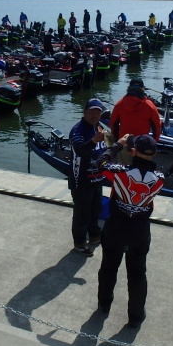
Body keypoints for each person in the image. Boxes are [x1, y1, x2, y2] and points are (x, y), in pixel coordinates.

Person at [96, 135, 165, 328]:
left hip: (116, 227)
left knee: (109, 268)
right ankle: (135, 316)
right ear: (154, 154)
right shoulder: (160, 179)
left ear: (133, 151)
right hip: (139, 232)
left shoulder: (120, 173)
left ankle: (104, 304)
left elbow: (100, 162)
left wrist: (118, 145)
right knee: (137, 275)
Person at [68, 99, 108, 257]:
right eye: (91, 112)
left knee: (96, 209)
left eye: (98, 112)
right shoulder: (77, 131)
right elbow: (79, 150)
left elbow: (107, 148)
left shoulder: (99, 127)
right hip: (81, 181)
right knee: (81, 214)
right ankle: (79, 243)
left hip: (97, 179)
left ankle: (94, 235)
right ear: (84, 112)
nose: (95, 115)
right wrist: (94, 141)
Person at [110, 77, 161, 143]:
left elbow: (113, 124)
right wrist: (154, 141)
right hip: (142, 145)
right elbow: (157, 126)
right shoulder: (150, 106)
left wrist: (117, 139)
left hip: (124, 143)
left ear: (129, 88)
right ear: (143, 89)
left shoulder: (119, 104)